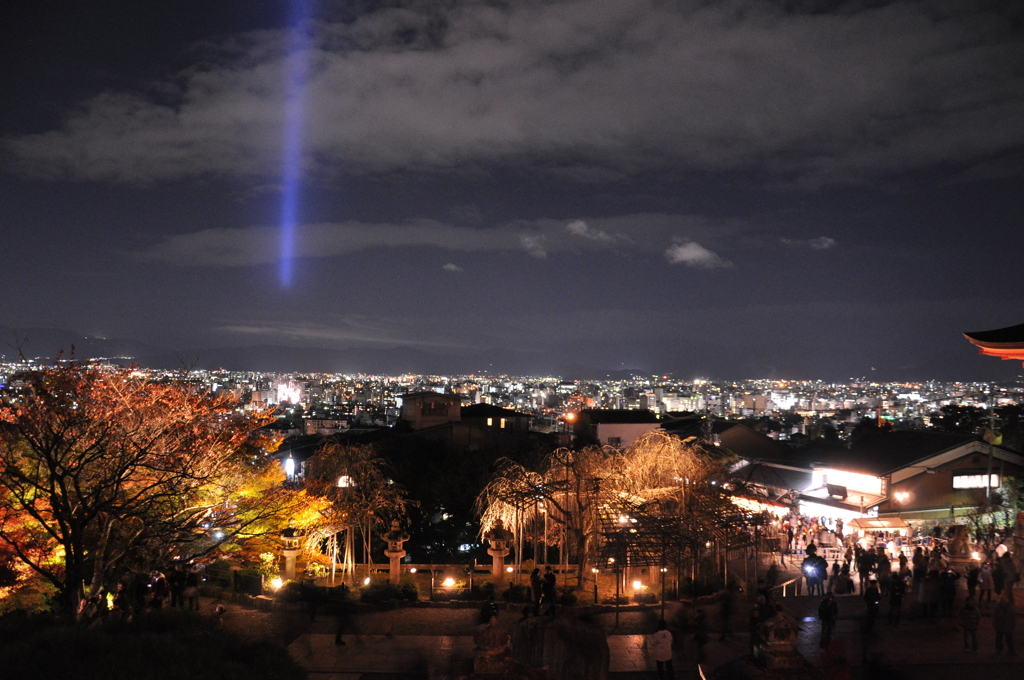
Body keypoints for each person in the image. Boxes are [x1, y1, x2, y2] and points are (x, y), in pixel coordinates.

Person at [992, 590, 1017, 656]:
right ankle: (1000, 650)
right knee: (999, 639)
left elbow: (1013, 618)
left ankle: (1011, 651)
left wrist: (1013, 625)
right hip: (1001, 626)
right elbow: (995, 618)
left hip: (1007, 626)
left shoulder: (1009, 609)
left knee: (1009, 640)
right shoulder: (999, 609)